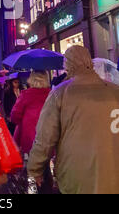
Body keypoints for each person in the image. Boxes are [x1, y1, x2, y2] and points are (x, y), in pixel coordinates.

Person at [27, 45, 119, 194]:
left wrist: (34, 170)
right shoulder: (115, 91)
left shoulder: (60, 93)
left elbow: (45, 138)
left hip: (77, 174)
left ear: (68, 65)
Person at [11, 70, 51, 156]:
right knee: (45, 162)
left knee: (31, 163)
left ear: (31, 79)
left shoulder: (26, 94)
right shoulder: (52, 94)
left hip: (29, 135)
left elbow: (15, 116)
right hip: (48, 134)